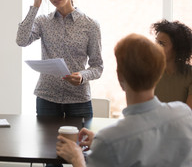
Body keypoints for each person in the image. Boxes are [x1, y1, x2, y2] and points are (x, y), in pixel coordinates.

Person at [56, 33, 192, 167]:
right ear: (158, 74)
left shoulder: (110, 140)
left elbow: (123, 140)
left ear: (120, 77)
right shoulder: (184, 114)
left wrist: (77, 158)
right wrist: (102, 143)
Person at [16, 0, 103, 118]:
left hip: (78, 99)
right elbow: (22, 40)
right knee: (46, 142)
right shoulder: (43, 22)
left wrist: (82, 76)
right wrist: (35, 6)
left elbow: (98, 66)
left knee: (78, 141)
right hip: (47, 98)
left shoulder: (90, 25)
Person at [151, 19, 192, 108]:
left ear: (178, 49)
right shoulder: (149, 73)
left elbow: (188, 114)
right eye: (156, 42)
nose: (155, 47)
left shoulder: (190, 75)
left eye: (161, 44)